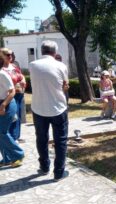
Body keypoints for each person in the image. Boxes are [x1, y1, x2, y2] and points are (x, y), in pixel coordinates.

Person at [29, 40, 70, 181]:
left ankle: (44, 166)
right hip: (58, 107)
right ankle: (58, 172)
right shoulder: (61, 66)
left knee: (41, 138)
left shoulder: (32, 65)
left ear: (42, 51)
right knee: (61, 141)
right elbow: (65, 85)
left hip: (39, 107)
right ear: (55, 52)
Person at [0, 52, 24, 168]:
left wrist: (3, 105)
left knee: (2, 132)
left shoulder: (2, 74)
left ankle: (18, 154)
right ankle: (7, 159)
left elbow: (12, 91)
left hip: (7, 103)